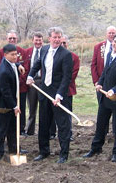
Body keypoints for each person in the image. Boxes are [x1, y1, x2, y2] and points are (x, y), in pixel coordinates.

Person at [27, 27, 73, 164]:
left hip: (58, 96)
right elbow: (36, 65)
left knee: (62, 125)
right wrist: (30, 75)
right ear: (49, 38)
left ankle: (63, 154)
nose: (57, 39)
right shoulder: (45, 50)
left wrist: (60, 94)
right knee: (43, 124)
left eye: (59, 37)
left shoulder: (66, 54)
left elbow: (66, 77)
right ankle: (44, 151)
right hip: (44, 93)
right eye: (55, 37)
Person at [84, 34, 116, 162]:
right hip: (105, 98)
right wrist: (99, 83)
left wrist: (113, 90)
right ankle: (96, 148)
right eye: (115, 42)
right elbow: (104, 72)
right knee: (101, 124)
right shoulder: (109, 55)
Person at [0, 44, 23, 161]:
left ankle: (14, 150)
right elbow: (6, 92)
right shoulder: (3, 71)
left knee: (12, 127)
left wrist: (19, 65)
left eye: (16, 54)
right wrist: (14, 106)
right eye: (12, 55)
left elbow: (15, 65)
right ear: (5, 55)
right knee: (0, 129)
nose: (15, 57)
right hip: (1, 104)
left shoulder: (12, 64)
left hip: (10, 101)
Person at [0, 30, 28, 135]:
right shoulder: (1, 54)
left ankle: (14, 145)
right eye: (10, 38)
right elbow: (4, 67)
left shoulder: (21, 52)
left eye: (14, 38)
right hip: (5, 94)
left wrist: (18, 65)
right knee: (3, 124)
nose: (12, 40)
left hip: (19, 88)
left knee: (15, 120)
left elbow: (13, 62)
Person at [49, 35, 79, 140]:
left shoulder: (73, 57)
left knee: (66, 113)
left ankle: (67, 133)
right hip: (53, 89)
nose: (62, 45)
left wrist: (62, 87)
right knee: (52, 112)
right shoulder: (51, 54)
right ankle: (52, 132)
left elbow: (72, 75)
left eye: (64, 43)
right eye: (61, 43)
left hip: (67, 90)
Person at [22, 32, 44, 136]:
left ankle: (44, 131)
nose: (38, 42)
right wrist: (27, 79)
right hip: (31, 83)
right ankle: (30, 130)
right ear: (32, 40)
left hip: (43, 82)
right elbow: (25, 67)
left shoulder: (46, 51)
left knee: (44, 107)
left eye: (40, 40)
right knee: (31, 107)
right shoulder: (27, 52)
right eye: (36, 40)